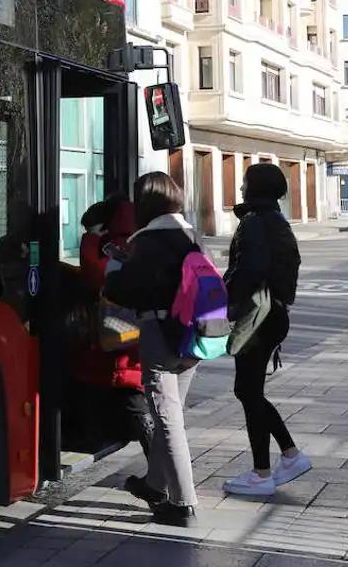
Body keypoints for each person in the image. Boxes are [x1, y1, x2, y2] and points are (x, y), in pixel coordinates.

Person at [104, 172, 199, 527]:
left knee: (167, 418)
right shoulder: (190, 234)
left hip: (161, 334)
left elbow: (119, 291)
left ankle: (183, 504)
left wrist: (115, 260)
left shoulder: (148, 238)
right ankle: (155, 484)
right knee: (169, 415)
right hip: (194, 337)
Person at [220, 162, 309, 498]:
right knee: (249, 390)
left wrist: (229, 298)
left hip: (259, 315)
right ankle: (287, 456)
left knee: (248, 391)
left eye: (244, 183)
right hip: (274, 312)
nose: (241, 189)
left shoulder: (256, 223)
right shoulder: (277, 221)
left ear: (255, 188)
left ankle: (264, 472)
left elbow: (250, 268)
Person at [74, 195, 154, 460]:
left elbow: (96, 276)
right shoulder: (138, 237)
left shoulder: (113, 246)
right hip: (137, 332)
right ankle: (160, 462)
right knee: (124, 392)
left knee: (128, 394)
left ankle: (160, 462)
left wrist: (90, 240)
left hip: (119, 336)